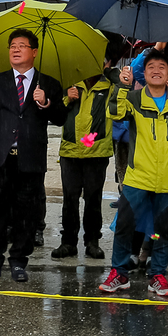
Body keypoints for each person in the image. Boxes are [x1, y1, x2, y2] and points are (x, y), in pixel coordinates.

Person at [97, 49, 168, 298]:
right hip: (138, 177)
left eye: (161, 67)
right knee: (125, 226)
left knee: (161, 231)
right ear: (144, 73)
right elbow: (115, 112)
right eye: (151, 67)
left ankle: (157, 275)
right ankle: (119, 273)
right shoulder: (134, 98)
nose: (156, 71)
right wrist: (122, 86)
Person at [0, 28, 65, 282]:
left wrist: (45, 103)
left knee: (26, 213)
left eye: (21, 45)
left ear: (34, 52)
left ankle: (18, 261)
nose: (15, 49)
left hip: (29, 157)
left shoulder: (49, 83)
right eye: (12, 45)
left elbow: (61, 117)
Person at [54, 48, 118, 261]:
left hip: (96, 152)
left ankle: (92, 241)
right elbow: (54, 114)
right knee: (69, 199)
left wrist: (111, 72)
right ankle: (68, 242)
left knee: (93, 199)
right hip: (70, 150)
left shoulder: (109, 86)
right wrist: (67, 99)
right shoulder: (70, 83)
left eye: (100, 60)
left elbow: (123, 91)